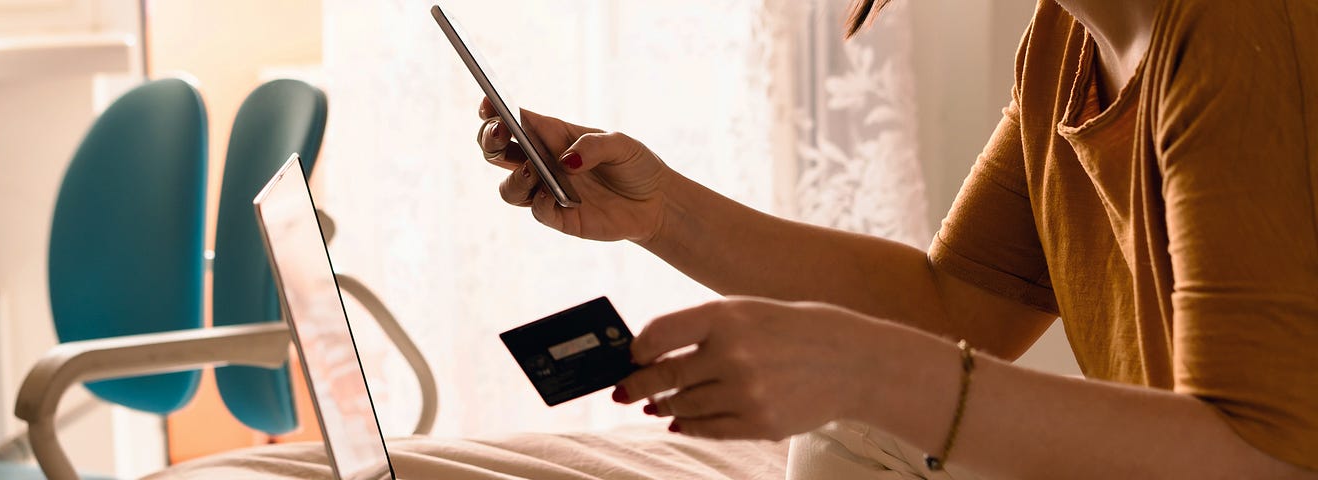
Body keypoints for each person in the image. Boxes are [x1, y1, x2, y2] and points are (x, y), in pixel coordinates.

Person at [473, 0, 1318, 477]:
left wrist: (862, 369)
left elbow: (1262, 455)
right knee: (857, 434)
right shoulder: (1066, 40)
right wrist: (664, 213)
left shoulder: (1246, 30)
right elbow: (955, 308)